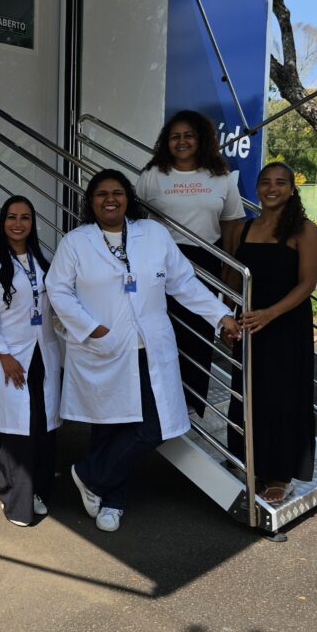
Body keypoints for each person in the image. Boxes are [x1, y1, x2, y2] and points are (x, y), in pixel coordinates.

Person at [46, 169, 240, 532]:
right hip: (104, 348)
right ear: (91, 201)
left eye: (117, 192)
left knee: (150, 427)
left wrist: (220, 315)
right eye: (101, 194)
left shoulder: (153, 235)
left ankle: (89, 475)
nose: (110, 199)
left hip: (149, 348)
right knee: (107, 428)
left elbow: (183, 283)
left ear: (128, 198)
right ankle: (111, 503)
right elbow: (57, 290)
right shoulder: (77, 241)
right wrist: (92, 328)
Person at [137, 110, 245, 421]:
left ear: (201, 139)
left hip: (205, 259)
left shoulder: (220, 177)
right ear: (166, 142)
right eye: (175, 136)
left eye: (188, 135)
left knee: (198, 331)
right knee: (161, 330)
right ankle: (157, 398)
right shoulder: (152, 175)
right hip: (160, 259)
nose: (181, 141)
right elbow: (136, 221)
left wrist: (228, 274)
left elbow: (232, 227)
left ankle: (191, 401)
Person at [225, 162, 317, 504]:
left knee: (282, 398)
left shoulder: (304, 230)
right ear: (257, 188)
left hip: (286, 325)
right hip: (250, 323)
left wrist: (271, 314)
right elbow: (233, 281)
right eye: (265, 182)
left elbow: (307, 284)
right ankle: (252, 463)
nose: (271, 188)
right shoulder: (243, 229)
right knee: (250, 393)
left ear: (292, 189)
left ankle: (280, 475)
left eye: (281, 182)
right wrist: (228, 318)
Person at [0, 196, 61, 527]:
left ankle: (38, 492)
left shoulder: (42, 260)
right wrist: (3, 354)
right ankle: (15, 502)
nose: (18, 223)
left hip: (42, 353)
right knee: (17, 431)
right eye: (11, 217)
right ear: (2, 222)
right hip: (10, 356)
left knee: (43, 427)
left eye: (25, 217)